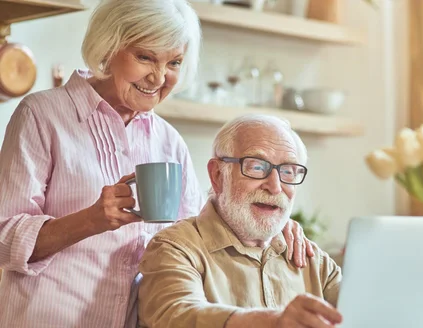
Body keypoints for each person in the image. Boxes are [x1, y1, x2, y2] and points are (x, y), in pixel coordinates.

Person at [0, 1, 312, 327]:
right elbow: (3, 237)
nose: (159, 77)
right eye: (145, 57)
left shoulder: (169, 142)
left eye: (174, 62)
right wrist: (90, 220)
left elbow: (197, 234)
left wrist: (270, 219)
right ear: (109, 46)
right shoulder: (42, 114)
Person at [137, 114, 343, 328]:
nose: (275, 186)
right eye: (256, 167)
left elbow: (366, 311)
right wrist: (273, 322)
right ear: (217, 175)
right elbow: (178, 315)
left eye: (288, 171)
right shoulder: (174, 248)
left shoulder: (312, 260)